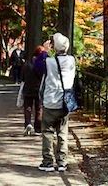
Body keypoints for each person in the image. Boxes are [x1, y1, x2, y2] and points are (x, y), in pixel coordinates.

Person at [39, 33, 76, 173]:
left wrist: (46, 51)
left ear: (55, 46)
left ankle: (47, 162)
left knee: (47, 132)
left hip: (50, 101)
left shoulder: (49, 62)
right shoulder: (72, 60)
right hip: (65, 102)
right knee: (62, 133)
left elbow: (37, 66)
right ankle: (62, 162)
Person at [21, 46, 45, 135]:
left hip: (27, 88)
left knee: (28, 107)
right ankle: (38, 128)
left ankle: (28, 124)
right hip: (38, 89)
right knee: (39, 108)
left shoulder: (27, 64)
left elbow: (22, 76)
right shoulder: (41, 64)